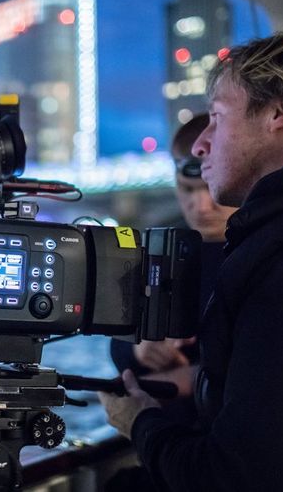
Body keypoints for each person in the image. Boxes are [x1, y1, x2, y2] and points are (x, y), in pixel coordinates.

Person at [99, 32, 283, 491]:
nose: (201, 145)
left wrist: (142, 424)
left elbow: (241, 480)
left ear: (278, 112)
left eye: (217, 116)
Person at [109, 114, 237, 405]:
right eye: (188, 189)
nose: (201, 206)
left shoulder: (263, 253)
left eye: (209, 188)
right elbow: (119, 333)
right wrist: (140, 348)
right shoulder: (160, 252)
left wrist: (194, 375)